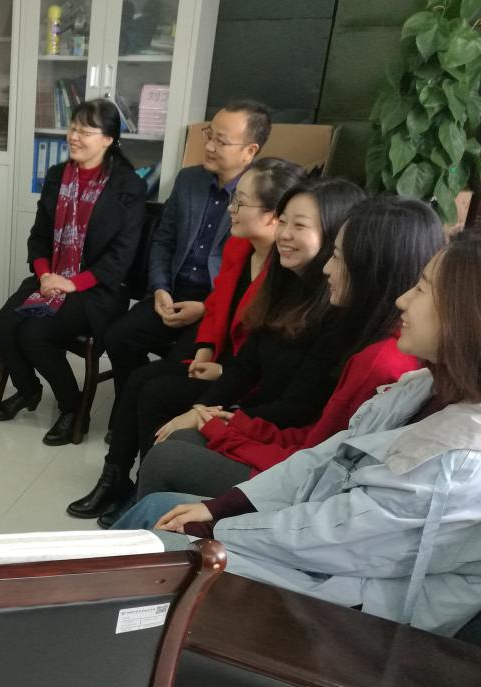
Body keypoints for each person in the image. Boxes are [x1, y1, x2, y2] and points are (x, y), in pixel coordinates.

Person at [114, 230, 481, 638]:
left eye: (422, 289)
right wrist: (223, 505)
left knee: (148, 551)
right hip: (314, 544)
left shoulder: (458, 458)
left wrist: (217, 525)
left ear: (466, 316)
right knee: (157, 511)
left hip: (349, 606)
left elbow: (331, 538)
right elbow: (327, 453)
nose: (403, 299)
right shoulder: (424, 386)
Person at [72, 176, 364, 526]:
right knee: (144, 379)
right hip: (252, 402)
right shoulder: (284, 280)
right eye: (283, 221)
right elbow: (246, 362)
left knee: (161, 402)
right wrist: (202, 407)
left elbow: (295, 408)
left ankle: (143, 495)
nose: (284, 234)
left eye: (299, 226)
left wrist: (213, 416)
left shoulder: (334, 310)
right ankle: (122, 482)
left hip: (277, 432)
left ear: (334, 235)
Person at [130, 197, 442, 506]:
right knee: (169, 420)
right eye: (283, 221)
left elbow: (314, 464)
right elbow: (316, 438)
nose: (327, 268)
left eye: (336, 256)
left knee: (166, 457)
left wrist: (225, 430)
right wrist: (231, 422)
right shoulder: (357, 329)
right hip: (297, 459)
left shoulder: (377, 360)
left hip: (302, 488)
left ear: (371, 268)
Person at [102, 99, 272, 430]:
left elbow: (247, 281)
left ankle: (153, 420)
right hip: (173, 291)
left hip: (215, 307)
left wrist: (205, 308)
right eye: (209, 135)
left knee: (174, 367)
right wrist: (160, 288)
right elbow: (163, 240)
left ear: (250, 151)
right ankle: (127, 414)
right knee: (118, 337)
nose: (208, 146)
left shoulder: (260, 198)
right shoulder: (189, 179)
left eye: (221, 141)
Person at [0, 99, 145, 445]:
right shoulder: (57, 175)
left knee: (34, 334)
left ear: (108, 139)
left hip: (97, 289)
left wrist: (72, 284)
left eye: (85, 131)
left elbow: (121, 258)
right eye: (72, 128)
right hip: (52, 277)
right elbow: (39, 236)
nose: (74, 136)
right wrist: (46, 276)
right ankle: (28, 389)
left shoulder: (128, 186)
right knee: (3, 327)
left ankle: (73, 408)